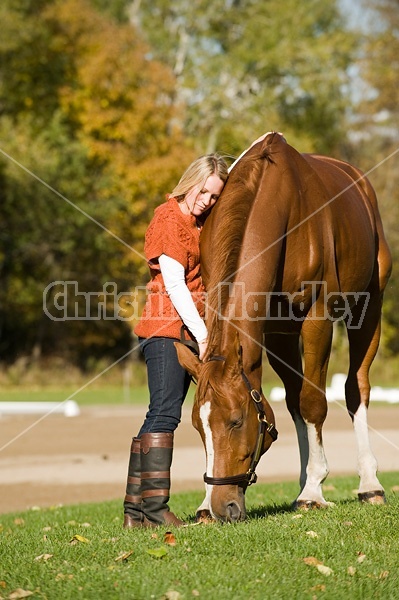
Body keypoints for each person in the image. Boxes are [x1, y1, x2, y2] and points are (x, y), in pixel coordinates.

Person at [123, 153, 229, 528]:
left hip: (183, 330)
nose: (207, 201)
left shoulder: (197, 222)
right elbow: (174, 284)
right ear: (191, 182)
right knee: (165, 414)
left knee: (158, 415)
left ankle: (135, 514)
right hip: (166, 329)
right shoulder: (168, 220)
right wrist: (202, 335)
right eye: (204, 191)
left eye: (215, 197)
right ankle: (155, 511)